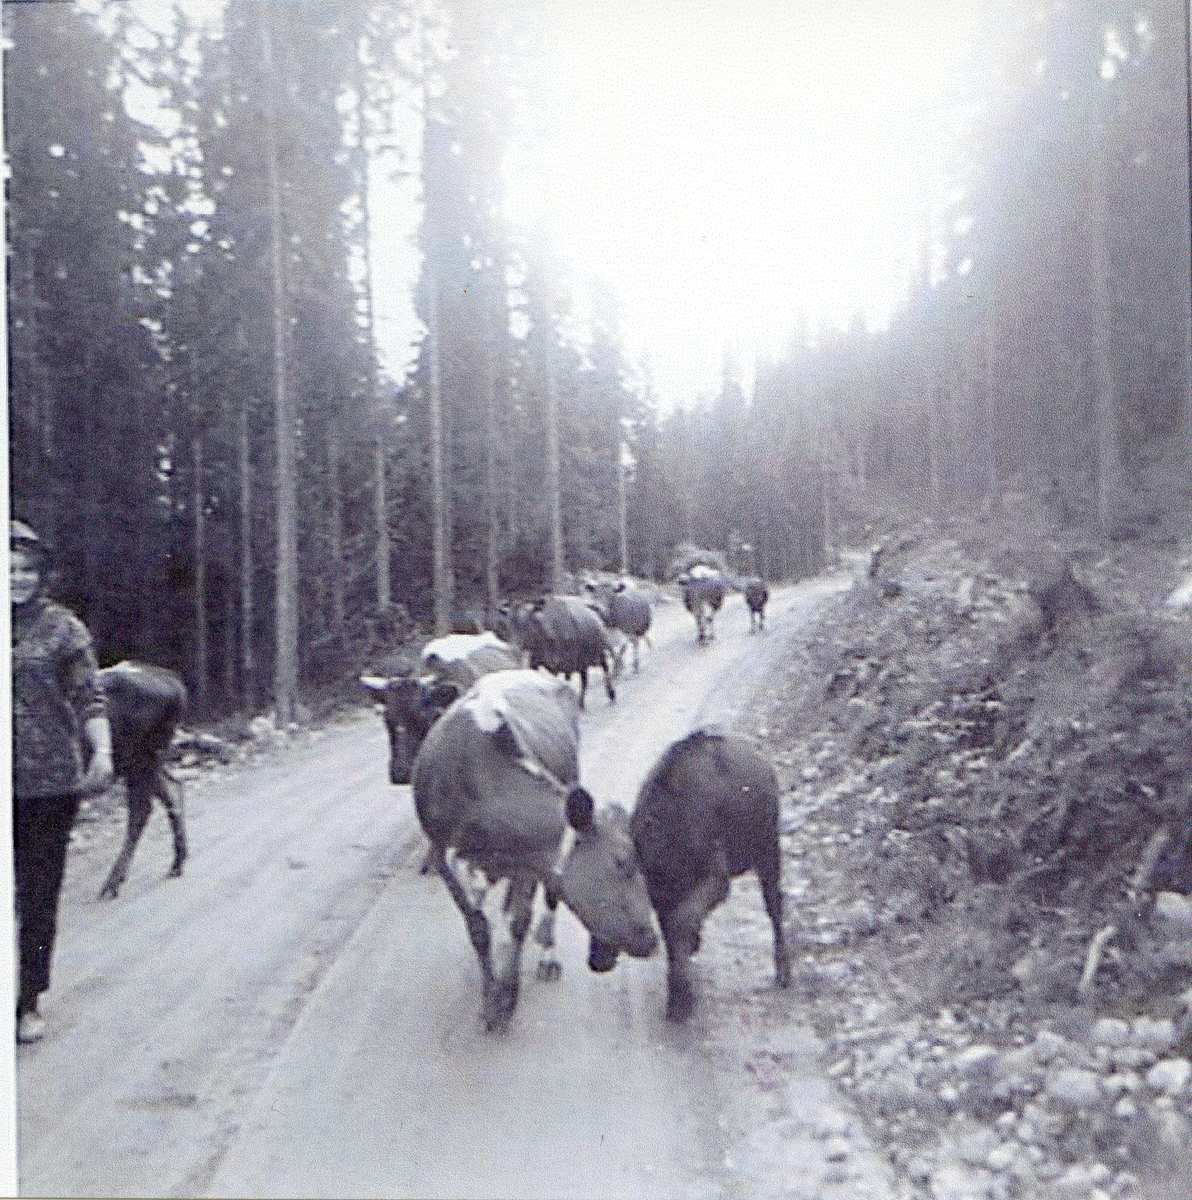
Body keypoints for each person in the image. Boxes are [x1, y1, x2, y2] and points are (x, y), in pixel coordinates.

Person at [10, 520, 113, 1044]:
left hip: (48, 783)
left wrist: (103, 749)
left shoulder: (62, 629)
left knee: (37, 894)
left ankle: (26, 1000)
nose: (17, 578)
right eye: (8, 568)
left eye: (26, 569)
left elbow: (89, 696)